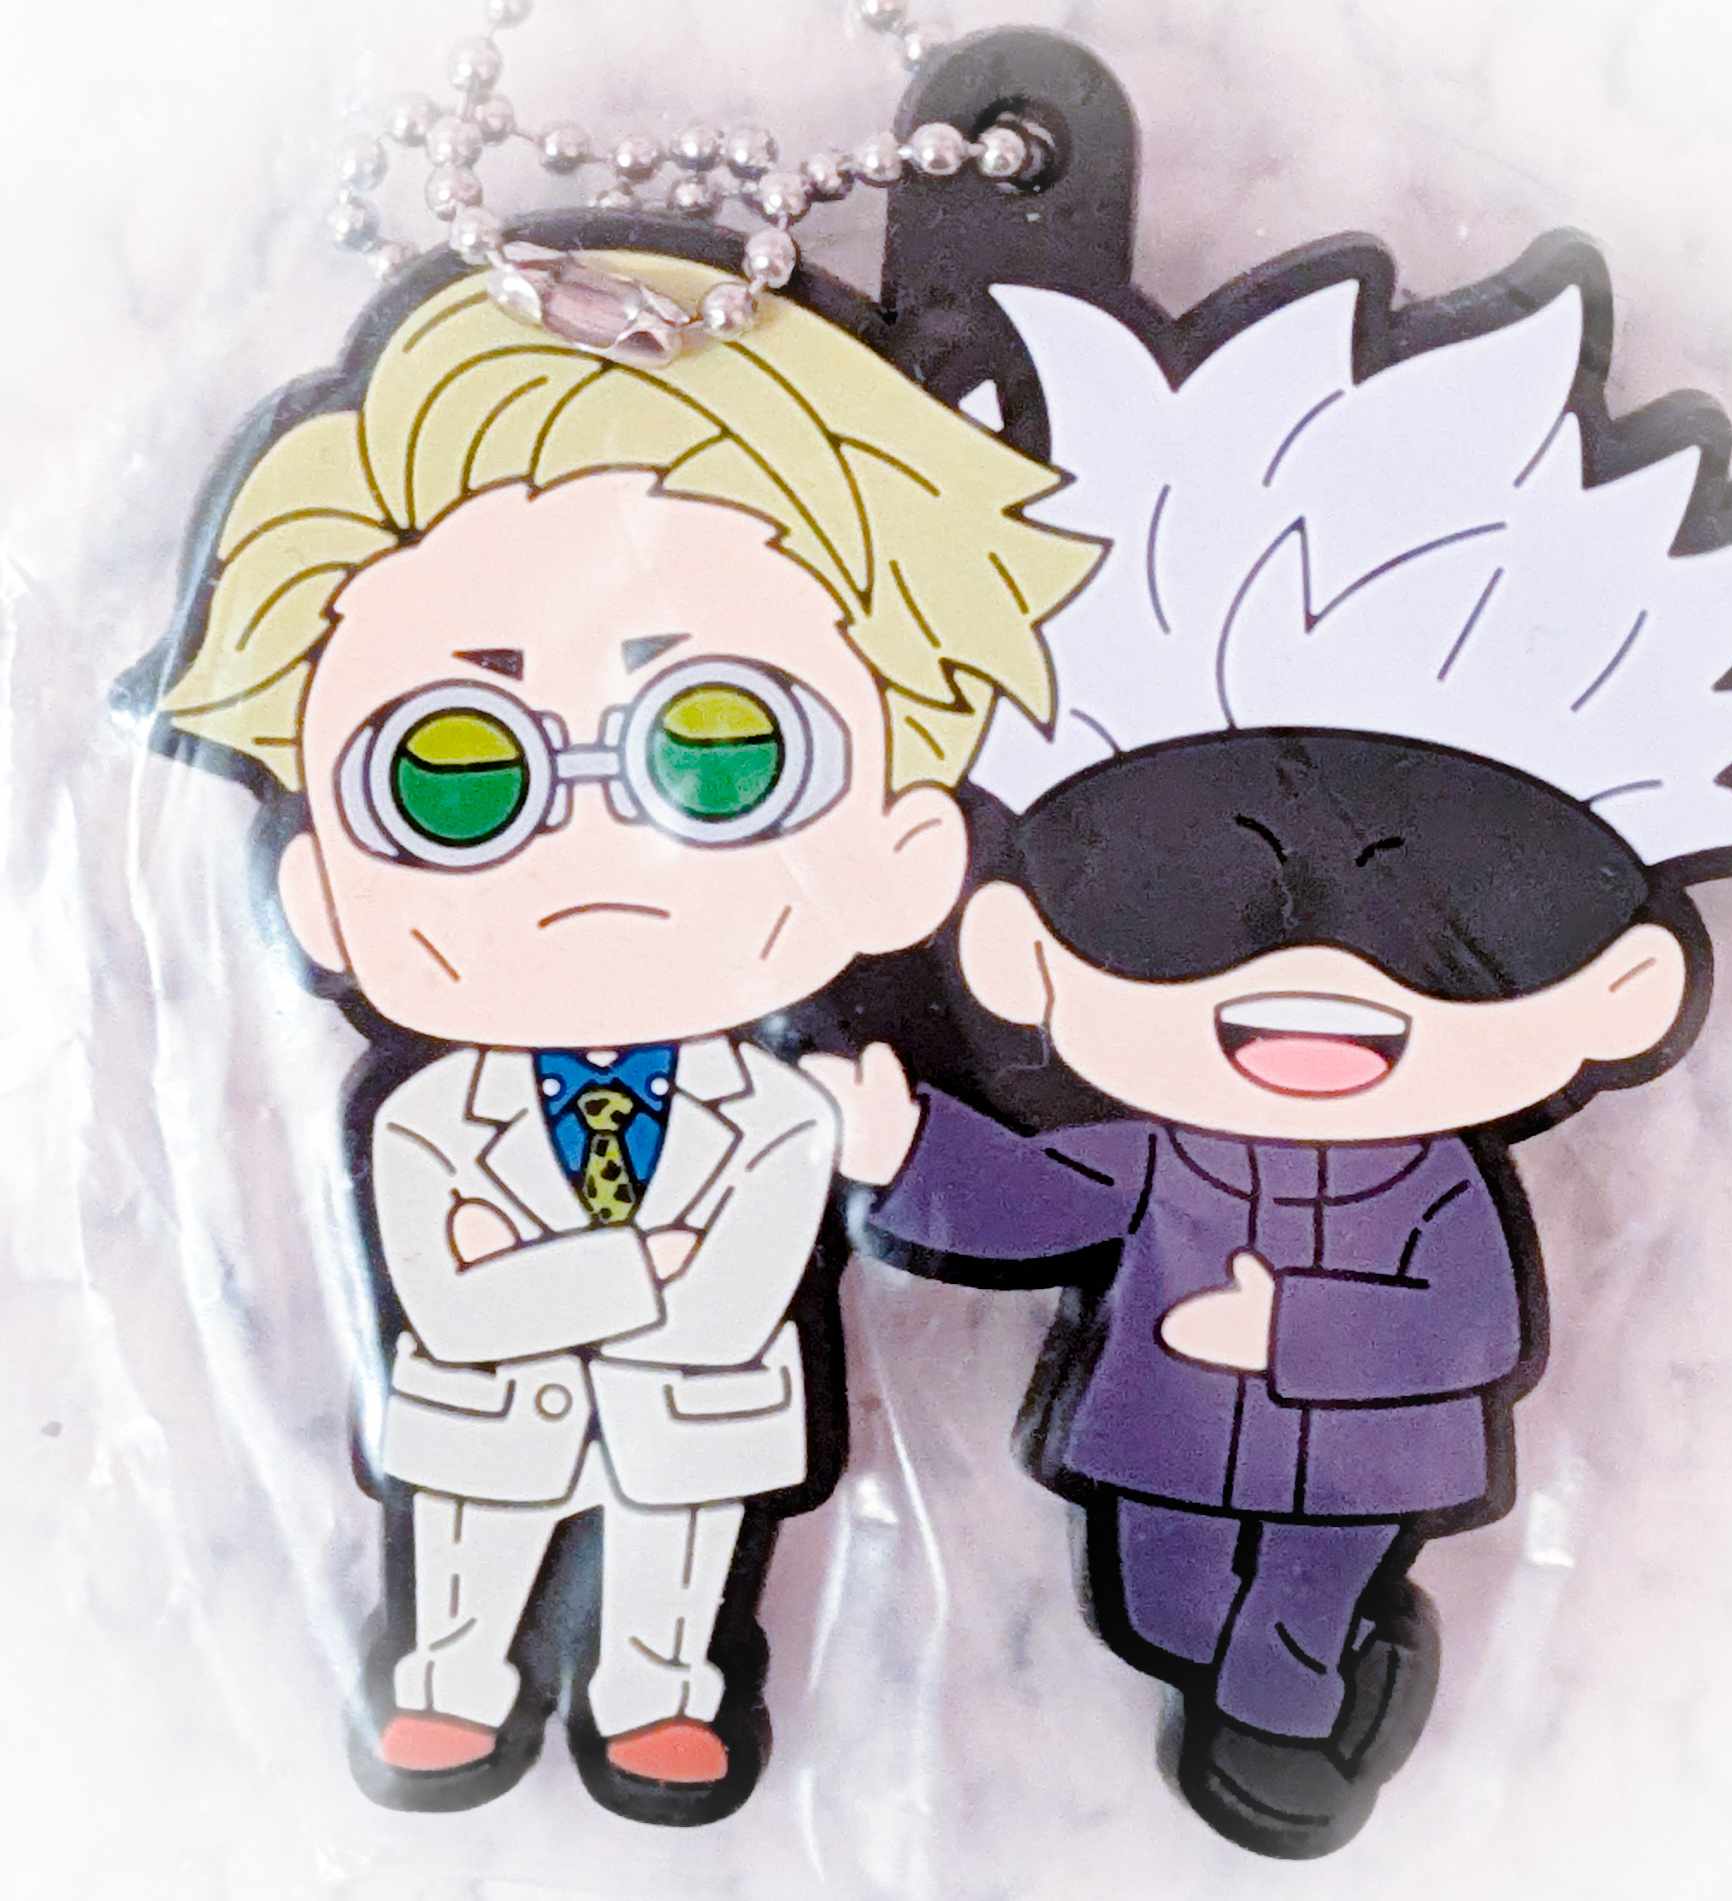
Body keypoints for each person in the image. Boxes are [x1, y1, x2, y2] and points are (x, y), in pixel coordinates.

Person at [804, 251, 1732, 1857]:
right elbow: (1044, 1199)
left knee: (1290, 1615)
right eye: (1179, 900)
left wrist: (1287, 1324)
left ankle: (1293, 1717)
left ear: (1624, 987)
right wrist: (909, 1155)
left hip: (1369, 1462)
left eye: (1459, 920)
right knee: (1162, 1600)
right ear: (1021, 944)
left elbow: (1469, 1317)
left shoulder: (1445, 1186)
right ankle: (1279, 1685)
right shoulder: (1153, 1144)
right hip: (1158, 1434)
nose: (1317, 976)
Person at [150, 247, 1097, 1821]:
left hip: (699, 1423)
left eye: (721, 754)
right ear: (314, 891)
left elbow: (723, 1296)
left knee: (680, 1562)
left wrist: (566, 1283)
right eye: (457, 773)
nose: (590, 843)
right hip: (481, 1432)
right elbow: (453, 1293)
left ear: (904, 846)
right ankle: (453, 1680)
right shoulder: (418, 1116)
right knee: (465, 1567)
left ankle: (658, 1695)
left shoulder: (787, 1114)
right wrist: (635, 1273)